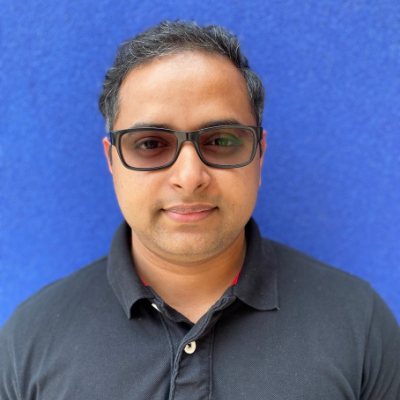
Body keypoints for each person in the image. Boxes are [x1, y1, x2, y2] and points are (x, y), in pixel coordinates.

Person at [1, 20, 399, 400]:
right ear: (112, 160)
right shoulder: (29, 339)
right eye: (151, 143)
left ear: (259, 156)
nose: (189, 177)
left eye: (221, 140)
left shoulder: (359, 324)